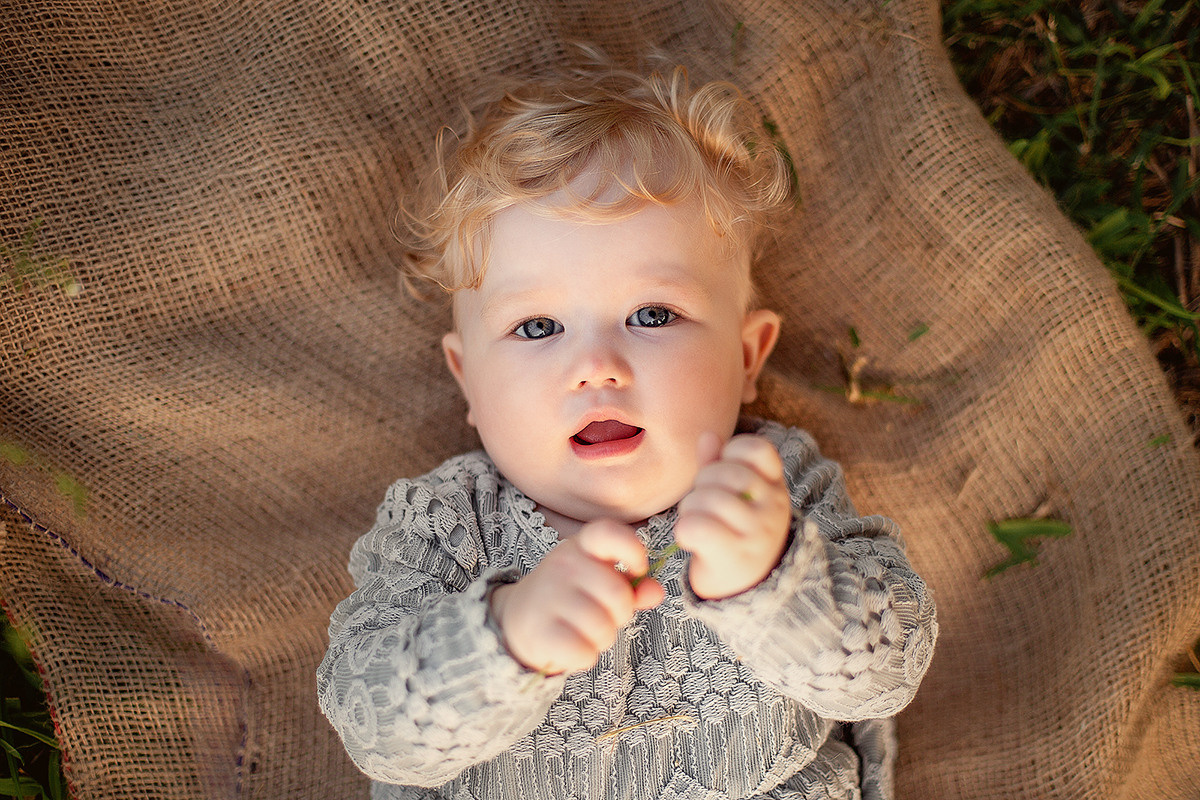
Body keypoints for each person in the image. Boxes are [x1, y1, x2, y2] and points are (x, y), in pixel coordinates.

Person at [317, 53, 937, 800]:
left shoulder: (773, 488)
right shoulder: (446, 526)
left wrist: (772, 577)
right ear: (467, 382)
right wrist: (504, 636)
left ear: (747, 357)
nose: (597, 365)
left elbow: (886, 673)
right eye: (538, 325)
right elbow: (370, 727)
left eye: (651, 315)